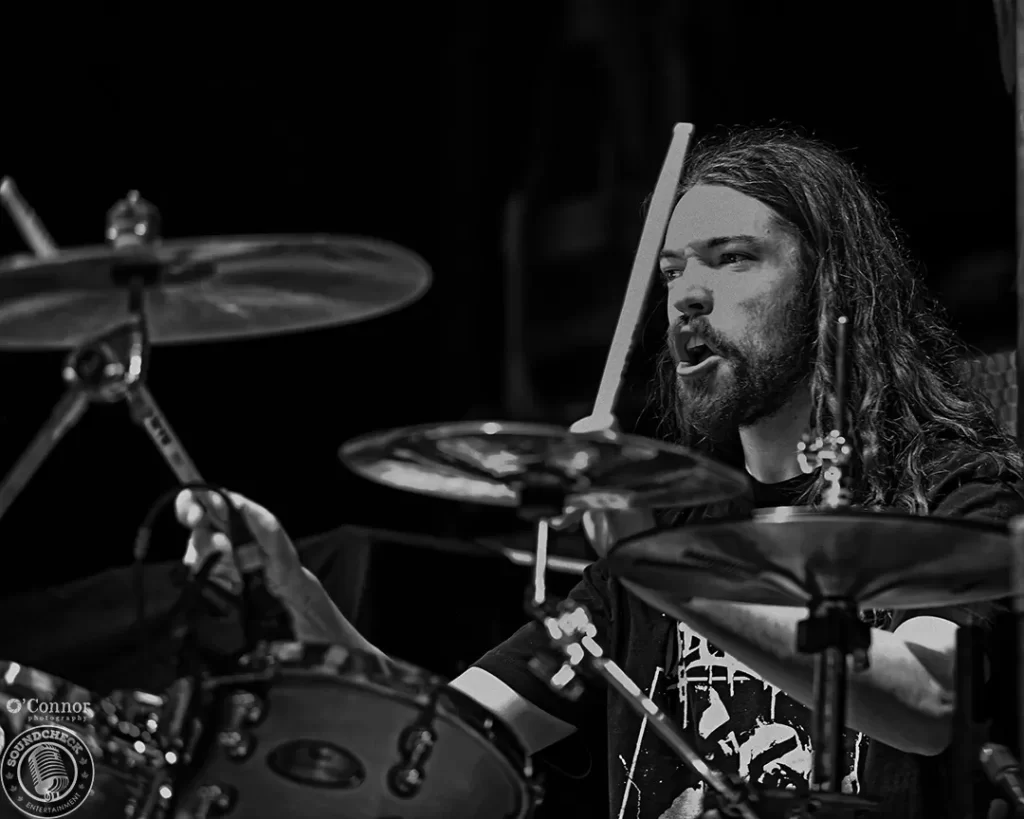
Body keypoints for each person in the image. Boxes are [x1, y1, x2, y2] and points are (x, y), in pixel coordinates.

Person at [175, 127, 1024, 819]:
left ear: (832, 284)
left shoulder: (953, 492)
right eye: (672, 270)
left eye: (732, 258)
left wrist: (665, 575)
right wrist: (296, 597)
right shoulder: (667, 537)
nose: (687, 296)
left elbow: (925, 705)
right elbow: (445, 743)